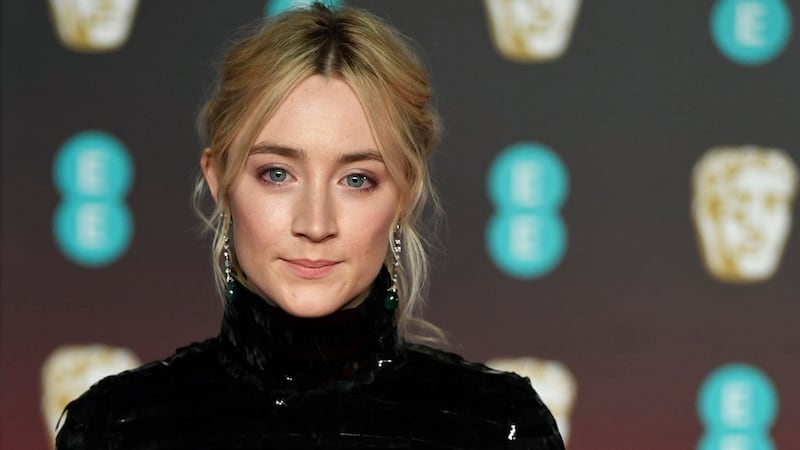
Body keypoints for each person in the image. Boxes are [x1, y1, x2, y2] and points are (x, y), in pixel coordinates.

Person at [55, 4, 564, 449]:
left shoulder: (501, 425)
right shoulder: (114, 426)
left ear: (405, 192)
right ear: (219, 181)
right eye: (277, 174)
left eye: (357, 179)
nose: (315, 224)